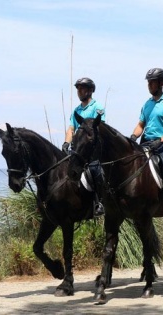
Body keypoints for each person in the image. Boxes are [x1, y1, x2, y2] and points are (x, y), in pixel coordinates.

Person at [130, 68, 163, 217]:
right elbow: (141, 125)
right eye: (148, 82)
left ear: (161, 83)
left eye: (152, 82)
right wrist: (133, 136)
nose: (149, 85)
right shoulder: (146, 104)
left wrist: (161, 140)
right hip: (145, 143)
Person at [63, 77, 106, 217]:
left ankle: (101, 203)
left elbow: (100, 128)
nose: (79, 91)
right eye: (78, 88)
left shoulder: (97, 107)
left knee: (96, 170)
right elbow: (71, 128)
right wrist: (66, 142)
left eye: (82, 88)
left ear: (90, 90)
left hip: (92, 151)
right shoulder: (76, 111)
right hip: (78, 150)